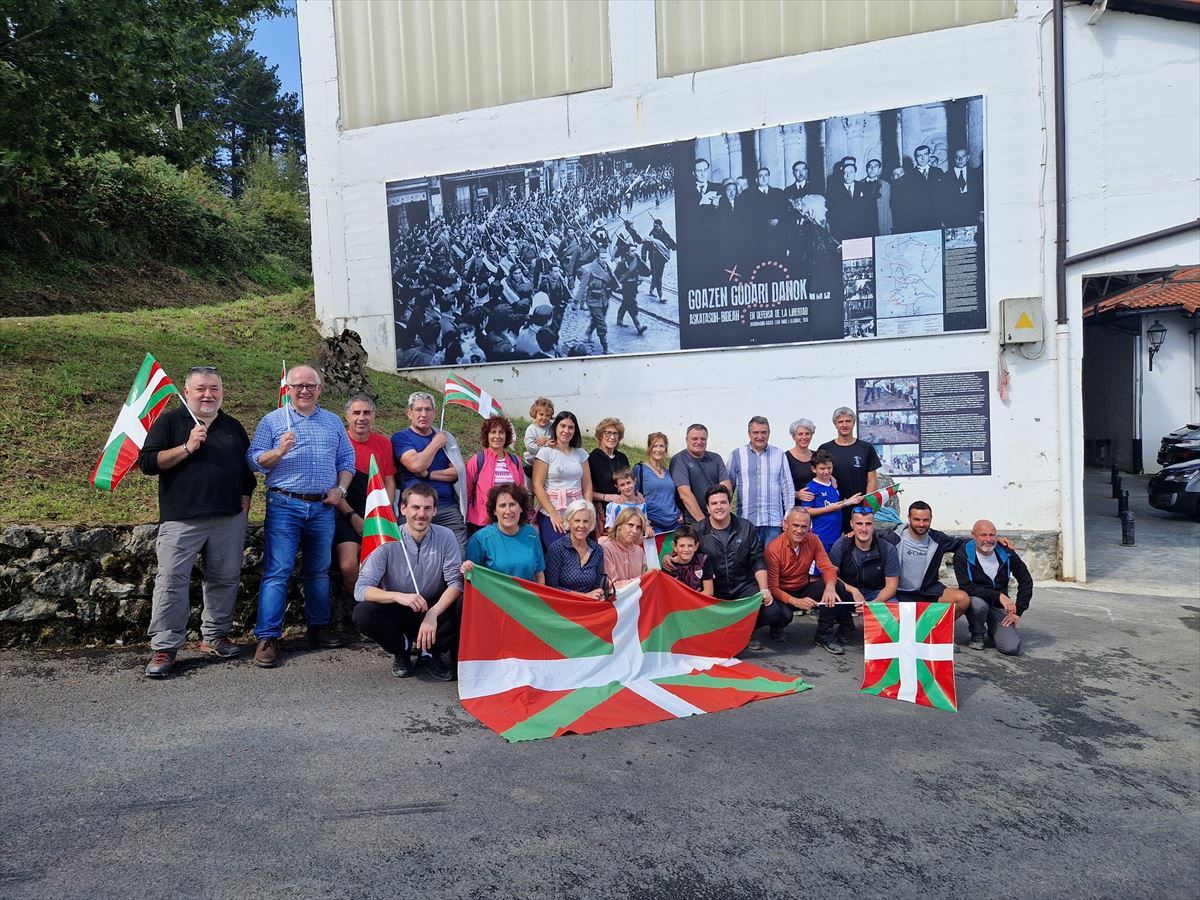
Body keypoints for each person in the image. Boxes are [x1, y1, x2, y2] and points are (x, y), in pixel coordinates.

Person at [139, 366, 255, 678]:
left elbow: (246, 473)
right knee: (171, 581)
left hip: (228, 517)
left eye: (214, 389)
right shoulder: (170, 422)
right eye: (201, 389)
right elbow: (148, 463)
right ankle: (165, 648)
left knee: (224, 578)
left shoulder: (232, 426)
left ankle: (214, 637)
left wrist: (244, 502)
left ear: (222, 392)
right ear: (187, 392)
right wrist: (187, 447)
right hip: (182, 519)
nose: (208, 395)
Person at [246, 365, 354, 669]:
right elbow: (253, 459)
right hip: (284, 504)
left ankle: (318, 628)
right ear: (288, 388)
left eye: (310, 385)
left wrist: (341, 490)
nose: (304, 390)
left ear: (320, 389)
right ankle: (267, 636)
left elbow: (347, 460)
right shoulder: (273, 420)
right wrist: (279, 451)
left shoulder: (333, 421)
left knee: (319, 571)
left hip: (322, 507)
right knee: (278, 571)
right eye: (298, 385)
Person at [353, 484, 462, 681]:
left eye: (427, 508)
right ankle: (402, 648)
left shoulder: (446, 536)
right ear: (403, 509)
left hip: (432, 607)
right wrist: (397, 596)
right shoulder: (387, 540)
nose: (421, 514)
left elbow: (455, 583)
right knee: (363, 612)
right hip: (399, 607)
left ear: (435, 510)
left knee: (465, 605)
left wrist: (433, 613)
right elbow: (361, 590)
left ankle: (429, 652)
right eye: (415, 507)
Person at [685, 485, 777, 652]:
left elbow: (757, 559)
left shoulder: (746, 527)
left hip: (742, 586)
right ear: (707, 507)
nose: (719, 507)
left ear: (730, 505)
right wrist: (669, 557)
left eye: (723, 502)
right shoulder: (697, 530)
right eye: (714, 503)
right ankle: (728, 631)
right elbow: (682, 551)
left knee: (774, 612)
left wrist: (764, 589)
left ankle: (745, 632)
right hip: (714, 590)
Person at [765, 508, 858, 652]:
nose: (800, 530)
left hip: (803, 587)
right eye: (795, 525)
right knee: (784, 615)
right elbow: (773, 587)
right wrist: (796, 602)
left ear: (809, 527)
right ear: (786, 524)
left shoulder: (813, 540)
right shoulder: (773, 548)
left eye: (804, 526)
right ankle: (776, 627)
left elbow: (827, 568)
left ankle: (823, 634)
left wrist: (829, 587)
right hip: (782, 594)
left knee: (836, 586)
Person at [332, 394, 396, 595]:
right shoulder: (337, 442)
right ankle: (356, 607)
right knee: (349, 566)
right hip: (345, 512)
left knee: (385, 567)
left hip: (377, 514)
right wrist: (353, 517)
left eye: (367, 413)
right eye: (356, 413)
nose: (362, 418)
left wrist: (384, 513)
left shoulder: (384, 443)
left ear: (374, 416)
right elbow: (333, 488)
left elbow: (389, 480)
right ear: (347, 416)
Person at [392, 391, 469, 551]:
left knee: (458, 556)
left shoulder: (447, 437)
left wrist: (428, 474)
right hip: (415, 508)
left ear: (434, 413)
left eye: (428, 410)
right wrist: (435, 444)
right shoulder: (401, 438)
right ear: (409, 413)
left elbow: (457, 471)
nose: (423, 414)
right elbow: (416, 465)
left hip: (446, 506)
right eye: (418, 410)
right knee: (411, 557)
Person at [884, 501, 973, 622]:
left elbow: (962, 543)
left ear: (931, 519)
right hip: (899, 592)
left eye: (925, 520)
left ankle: (936, 630)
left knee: (963, 599)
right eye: (916, 519)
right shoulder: (893, 539)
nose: (921, 524)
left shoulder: (938, 538)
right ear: (909, 518)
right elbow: (869, 544)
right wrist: (853, 536)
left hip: (928, 591)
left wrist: (993, 540)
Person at [954, 518, 1032, 654]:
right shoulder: (963, 553)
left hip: (998, 606)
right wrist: (998, 595)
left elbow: (1026, 580)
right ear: (973, 535)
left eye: (992, 534)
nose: (988, 539)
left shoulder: (1006, 552)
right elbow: (966, 586)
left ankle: (994, 629)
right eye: (983, 535)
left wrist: (1019, 611)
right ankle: (977, 633)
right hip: (976, 601)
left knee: (1011, 648)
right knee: (978, 604)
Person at [727, 415, 795, 548]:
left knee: (772, 562)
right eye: (755, 433)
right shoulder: (737, 455)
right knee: (746, 562)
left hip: (773, 522)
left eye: (764, 432)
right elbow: (728, 488)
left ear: (769, 433)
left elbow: (787, 487)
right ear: (749, 434)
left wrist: (788, 516)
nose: (760, 436)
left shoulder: (779, 454)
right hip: (745, 521)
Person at [531, 411, 593, 548]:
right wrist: (553, 514)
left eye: (570, 427)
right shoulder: (546, 453)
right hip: (552, 511)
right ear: (555, 428)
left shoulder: (581, 454)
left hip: (577, 514)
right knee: (557, 550)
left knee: (579, 553)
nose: (566, 430)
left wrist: (588, 511)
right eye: (562, 426)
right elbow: (537, 485)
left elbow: (587, 485)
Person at [462, 484, 545, 583]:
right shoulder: (480, 539)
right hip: (493, 598)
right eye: (502, 506)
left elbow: (539, 574)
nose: (508, 511)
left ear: (521, 508)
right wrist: (465, 568)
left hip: (527, 597)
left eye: (512, 504)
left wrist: (538, 598)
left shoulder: (531, 534)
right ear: (494, 511)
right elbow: (470, 580)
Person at [818, 407, 880, 532]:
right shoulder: (825, 448)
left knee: (857, 546)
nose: (844, 425)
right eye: (840, 422)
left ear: (854, 423)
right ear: (835, 424)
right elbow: (819, 477)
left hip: (857, 507)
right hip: (831, 506)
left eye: (848, 421)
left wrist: (867, 507)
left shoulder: (866, 448)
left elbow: (872, 480)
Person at [829, 506, 900, 607]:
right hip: (846, 593)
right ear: (851, 524)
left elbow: (891, 586)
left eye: (868, 524)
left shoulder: (887, 548)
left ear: (873, 525)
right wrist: (853, 590)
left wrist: (872, 605)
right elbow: (830, 575)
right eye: (859, 524)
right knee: (830, 596)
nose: (864, 529)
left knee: (893, 606)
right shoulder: (841, 545)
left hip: (876, 594)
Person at [464, 414, 525, 532]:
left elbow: (520, 492)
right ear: (487, 435)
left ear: (506, 436)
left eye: (501, 432)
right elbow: (466, 492)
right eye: (493, 432)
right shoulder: (477, 460)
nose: (497, 436)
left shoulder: (515, 461)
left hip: (509, 520)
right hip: (482, 523)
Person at [544, 499, 607, 599]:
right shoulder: (557, 548)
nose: (581, 526)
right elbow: (551, 587)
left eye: (586, 521)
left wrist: (598, 594)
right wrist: (584, 596)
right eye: (577, 521)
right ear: (569, 522)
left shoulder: (597, 550)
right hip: (562, 604)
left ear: (591, 524)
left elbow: (597, 585)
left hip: (589, 605)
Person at [669, 423, 731, 525]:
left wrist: (720, 515)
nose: (699, 442)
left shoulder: (716, 458)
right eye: (695, 439)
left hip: (717, 518)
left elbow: (726, 488)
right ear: (686, 440)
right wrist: (704, 523)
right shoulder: (679, 460)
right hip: (694, 520)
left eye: (703, 439)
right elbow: (685, 495)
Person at [803, 449, 861, 549]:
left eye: (829, 468)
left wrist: (850, 501)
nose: (826, 472)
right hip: (819, 536)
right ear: (813, 469)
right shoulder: (811, 487)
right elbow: (806, 511)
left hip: (836, 536)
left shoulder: (833, 484)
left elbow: (835, 504)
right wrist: (829, 509)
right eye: (822, 468)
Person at [588, 417, 631, 532]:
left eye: (615, 434)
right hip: (604, 514)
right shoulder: (591, 459)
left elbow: (629, 482)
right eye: (608, 433)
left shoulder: (622, 458)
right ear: (600, 435)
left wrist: (637, 494)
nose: (612, 437)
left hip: (625, 512)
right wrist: (607, 497)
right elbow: (585, 490)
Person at [634, 432, 682, 534]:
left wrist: (680, 513)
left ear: (666, 449)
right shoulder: (640, 470)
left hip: (674, 523)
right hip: (653, 526)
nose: (658, 449)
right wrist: (644, 522)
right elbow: (633, 498)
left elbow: (673, 497)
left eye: (662, 446)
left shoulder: (669, 472)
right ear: (649, 448)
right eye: (655, 446)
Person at [579, 247, 618, 355]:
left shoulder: (607, 267)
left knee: (597, 319)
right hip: (593, 300)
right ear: (597, 257)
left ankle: (588, 333)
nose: (604, 260)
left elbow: (611, 281)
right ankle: (605, 347)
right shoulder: (590, 269)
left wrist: (616, 287)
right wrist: (575, 301)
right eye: (602, 258)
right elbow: (582, 286)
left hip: (604, 299)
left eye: (606, 258)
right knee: (601, 324)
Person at [600, 507, 649, 589]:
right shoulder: (606, 548)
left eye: (638, 527)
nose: (634, 531)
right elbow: (611, 585)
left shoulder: (639, 551)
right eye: (630, 525)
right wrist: (641, 579)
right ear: (619, 525)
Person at [662, 525, 714, 595]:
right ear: (674, 546)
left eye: (690, 545)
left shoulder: (703, 560)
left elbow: (709, 592)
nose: (686, 550)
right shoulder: (668, 566)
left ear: (696, 546)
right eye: (682, 546)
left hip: (700, 604)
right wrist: (692, 596)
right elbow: (667, 594)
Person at [941, 148, 984, 228]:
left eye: (963, 156)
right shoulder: (945, 176)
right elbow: (943, 199)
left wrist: (981, 212)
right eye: (957, 157)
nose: (960, 159)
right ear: (954, 158)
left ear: (968, 157)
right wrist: (943, 218)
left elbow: (981, 194)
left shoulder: (976, 174)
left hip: (973, 215)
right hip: (953, 217)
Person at [613, 244, 648, 335]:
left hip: (634, 287)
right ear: (627, 252)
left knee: (626, 303)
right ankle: (638, 326)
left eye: (635, 250)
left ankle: (619, 318)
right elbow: (615, 276)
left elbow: (647, 272)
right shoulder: (622, 263)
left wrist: (642, 262)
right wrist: (615, 287)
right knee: (631, 305)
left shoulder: (637, 261)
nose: (634, 252)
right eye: (632, 251)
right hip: (626, 287)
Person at [785, 418, 820, 506]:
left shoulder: (817, 456)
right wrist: (796, 494)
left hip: (816, 507)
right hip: (795, 508)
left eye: (807, 434)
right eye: (800, 434)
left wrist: (831, 478)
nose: (804, 437)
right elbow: (778, 485)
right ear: (793, 436)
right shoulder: (785, 457)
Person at [603, 468, 648, 533]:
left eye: (628, 483)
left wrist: (648, 528)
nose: (626, 487)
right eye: (622, 485)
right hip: (620, 541)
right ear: (617, 487)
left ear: (635, 481)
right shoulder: (613, 506)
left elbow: (645, 524)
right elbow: (609, 528)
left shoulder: (642, 504)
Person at [642, 218, 676, 301]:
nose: (655, 227)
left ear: (660, 226)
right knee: (658, 277)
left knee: (656, 275)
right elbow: (644, 246)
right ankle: (661, 296)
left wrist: (675, 247)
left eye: (657, 226)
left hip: (661, 259)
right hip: (653, 258)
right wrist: (643, 258)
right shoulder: (651, 235)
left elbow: (670, 241)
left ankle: (651, 290)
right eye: (654, 226)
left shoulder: (664, 233)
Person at [523, 397, 554, 477]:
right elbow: (531, 447)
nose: (544, 418)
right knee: (529, 488)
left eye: (548, 415)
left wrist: (547, 438)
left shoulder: (551, 427)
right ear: (535, 414)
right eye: (541, 414)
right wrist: (547, 444)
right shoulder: (531, 429)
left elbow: (556, 438)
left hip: (547, 464)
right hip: (531, 464)